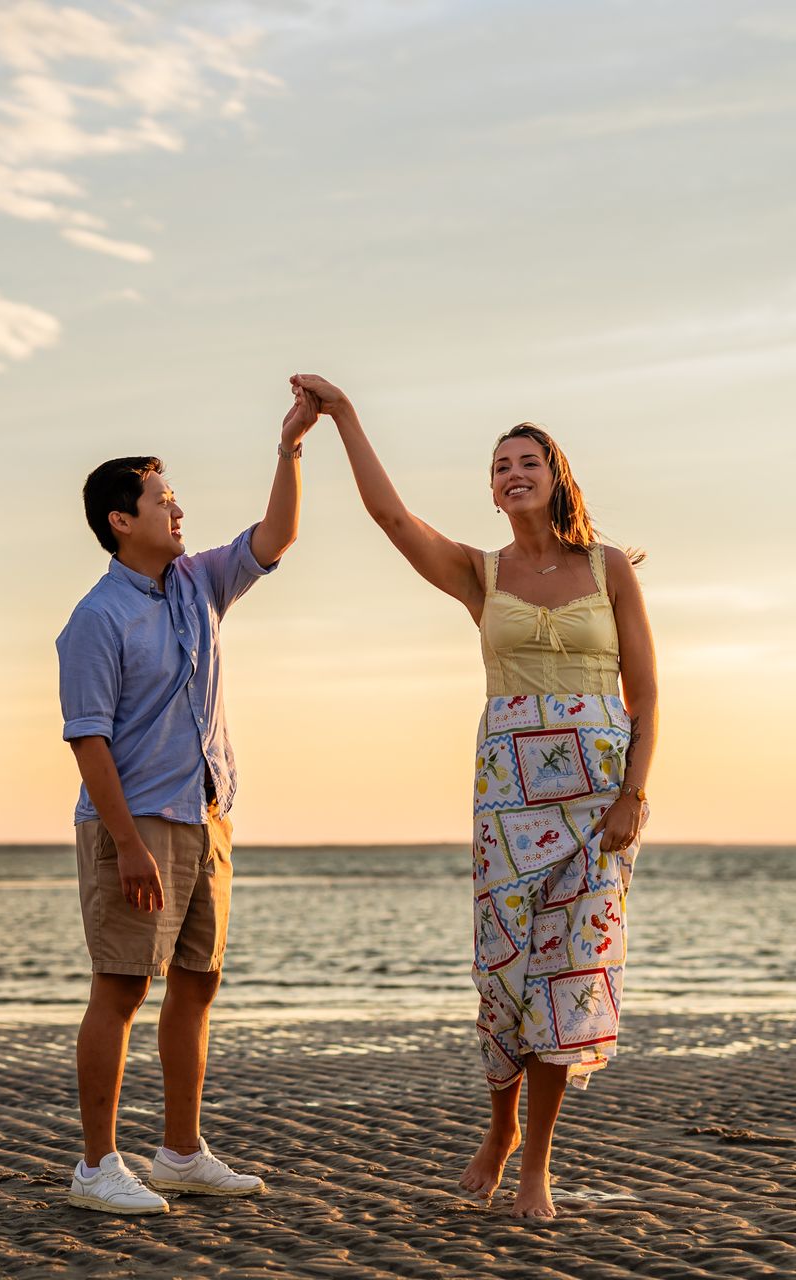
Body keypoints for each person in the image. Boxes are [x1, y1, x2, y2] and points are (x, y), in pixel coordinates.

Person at [292, 373, 658, 1220]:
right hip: (508, 801)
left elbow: (647, 691)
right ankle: (500, 1130)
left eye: (527, 461)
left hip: (598, 802)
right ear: (492, 492)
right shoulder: (479, 574)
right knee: (506, 975)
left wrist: (635, 794)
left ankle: (539, 1163)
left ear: (555, 476)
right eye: (500, 466)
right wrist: (345, 416)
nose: (512, 473)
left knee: (568, 977)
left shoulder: (609, 569)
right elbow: (393, 519)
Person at [55, 387, 318, 1214]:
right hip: (133, 827)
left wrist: (291, 448)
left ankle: (179, 1152)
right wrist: (129, 844)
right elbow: (87, 739)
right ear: (119, 522)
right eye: (162, 502)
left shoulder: (199, 582)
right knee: (122, 989)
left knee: (197, 985)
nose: (178, 511)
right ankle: (97, 1166)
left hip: (209, 819)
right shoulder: (96, 618)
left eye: (175, 499)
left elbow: (278, 537)